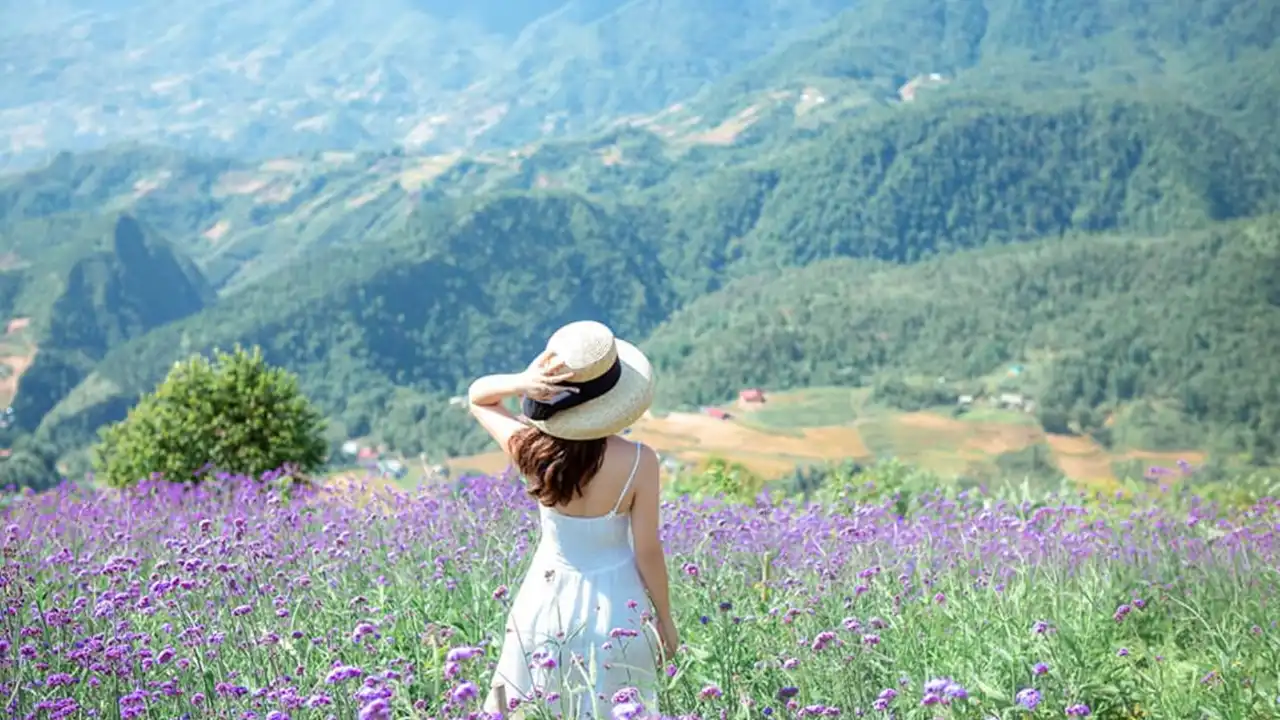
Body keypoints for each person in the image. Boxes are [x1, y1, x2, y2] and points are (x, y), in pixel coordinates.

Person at [468, 320, 677, 718]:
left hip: (544, 607)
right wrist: (665, 620)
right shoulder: (639, 461)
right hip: (620, 608)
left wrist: (523, 382)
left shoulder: (530, 451)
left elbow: (479, 397)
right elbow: (648, 550)